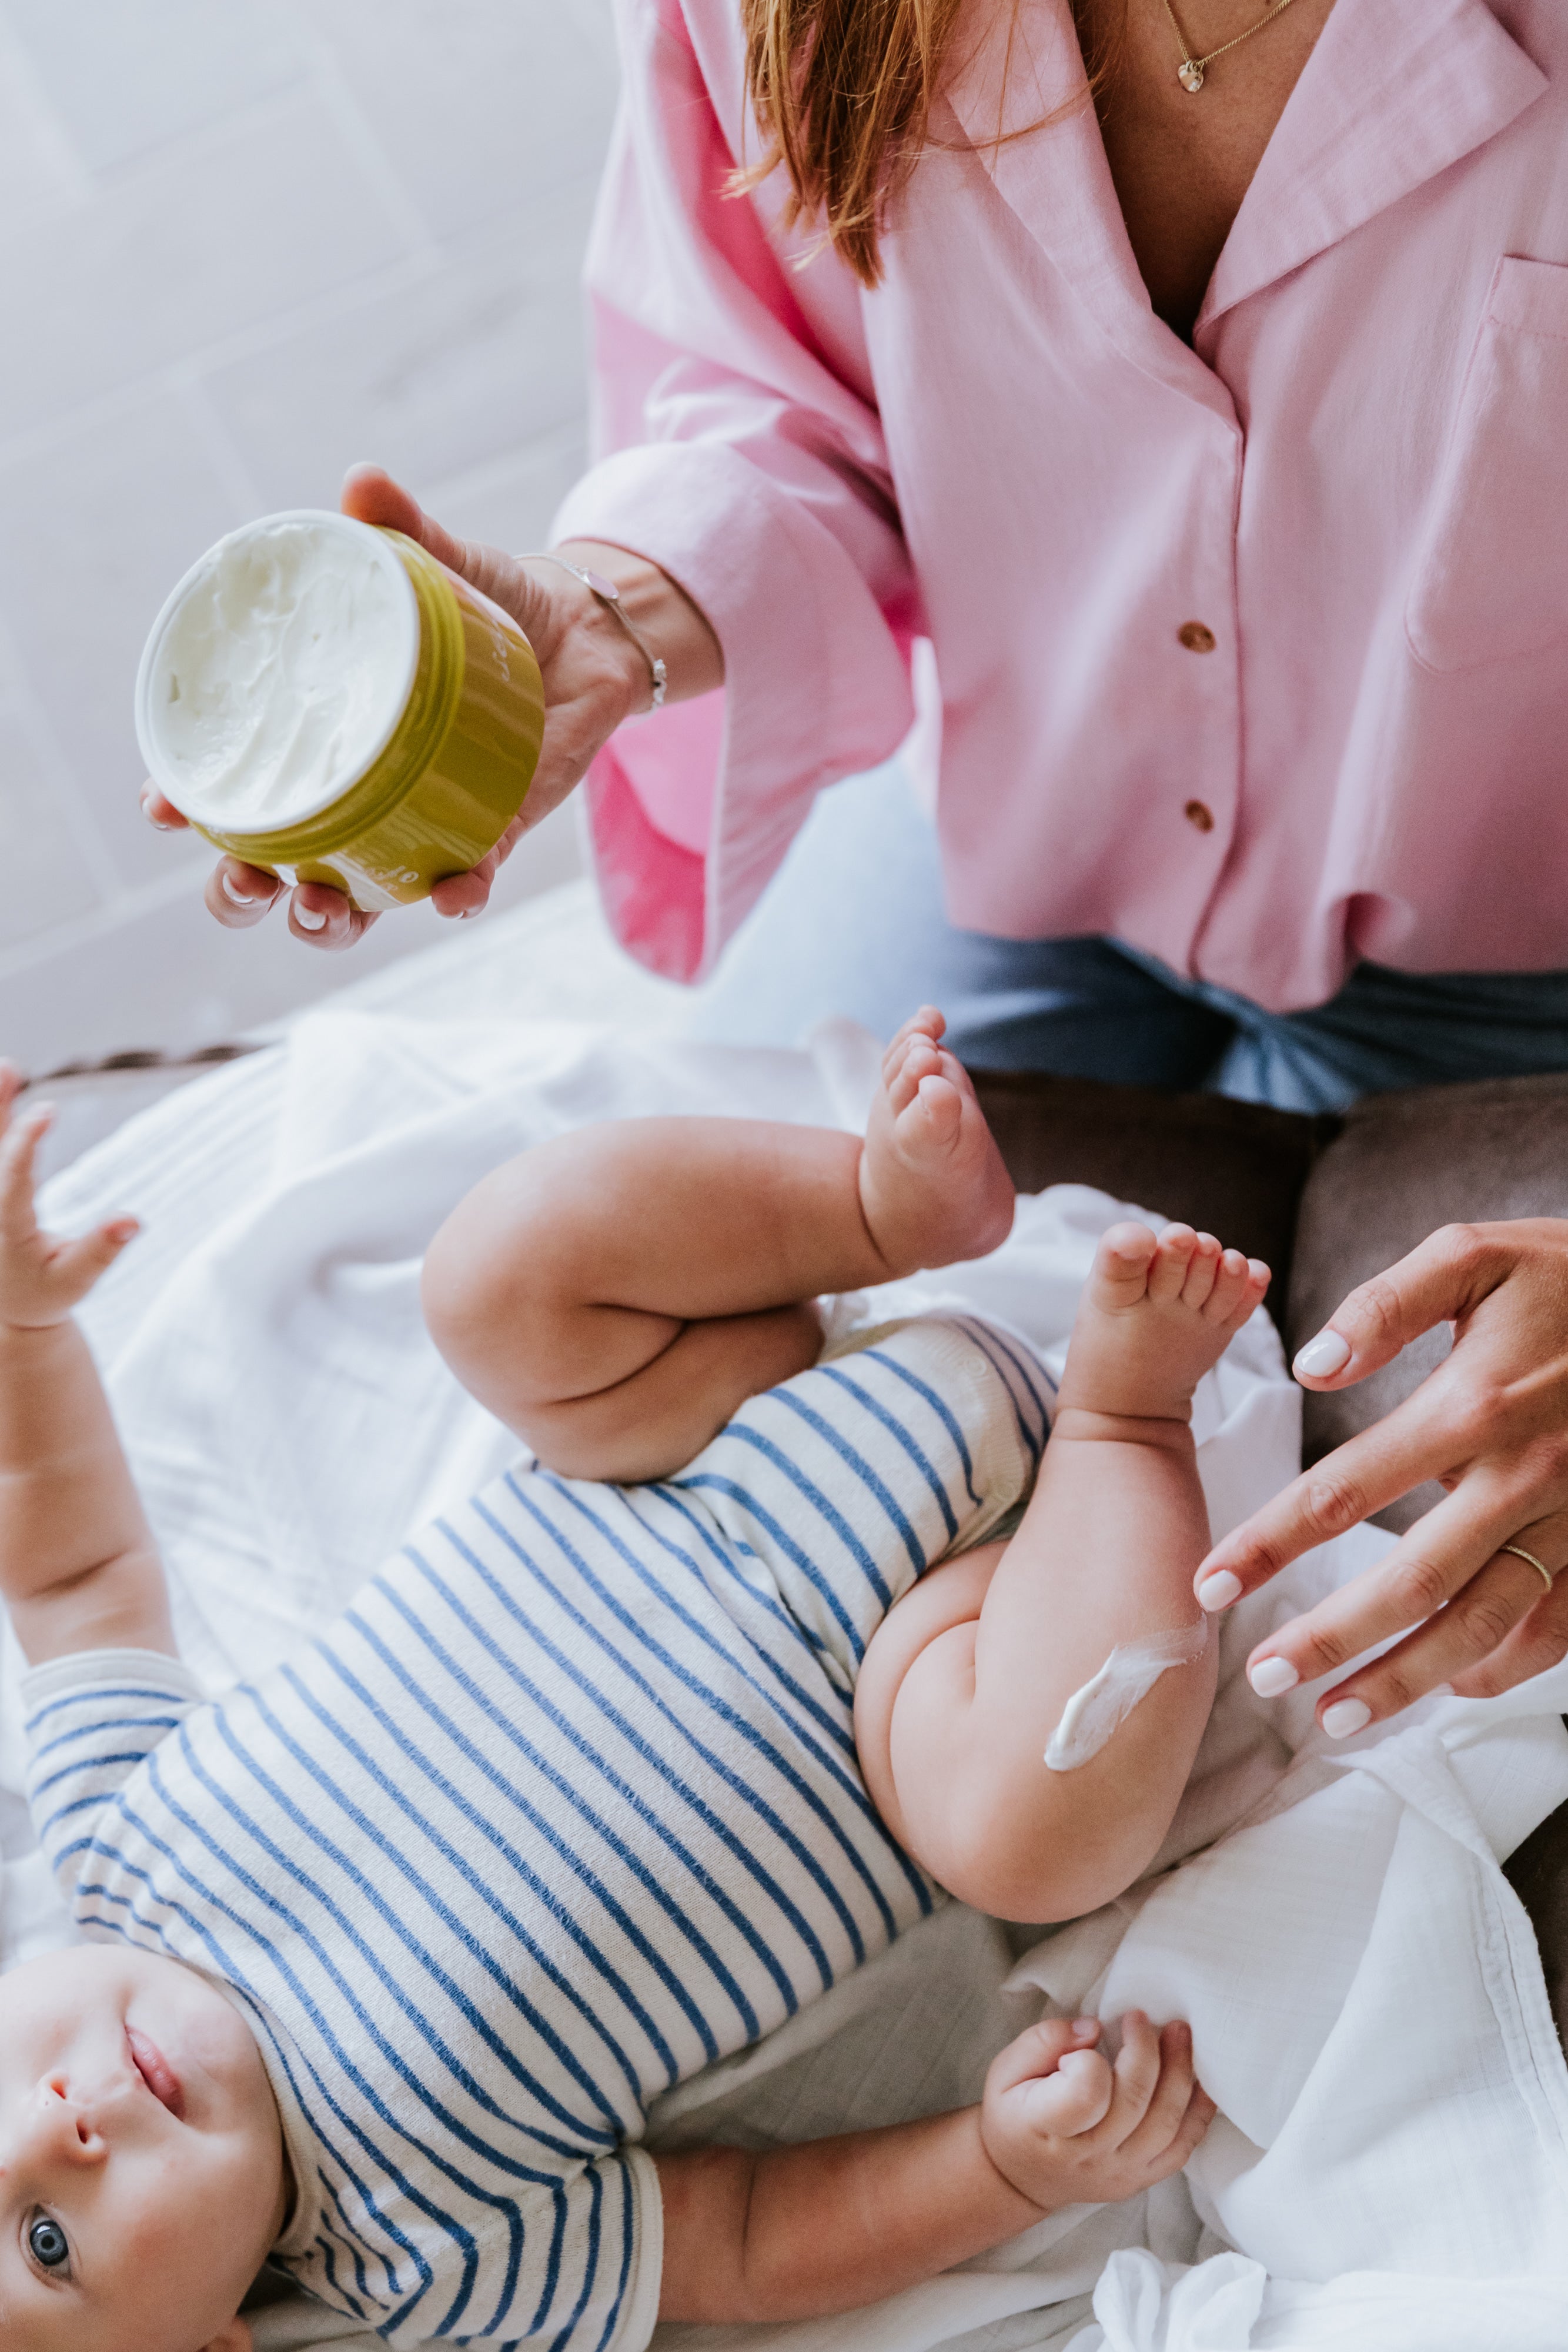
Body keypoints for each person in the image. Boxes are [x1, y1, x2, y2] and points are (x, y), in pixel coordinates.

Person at [141, 2, 1568, 1720]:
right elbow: (785, 383)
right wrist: (616, 619)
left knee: (1447, 1628)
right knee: (710, 1423)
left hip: (1522, 956)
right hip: (1047, 841)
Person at [0, 1011, 1253, 2347]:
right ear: (204, 2346)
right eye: (46, 2238)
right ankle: (1125, 1423)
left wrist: (24, 1328)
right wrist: (1000, 2167)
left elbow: (71, 1570)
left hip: (693, 1433)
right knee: (1034, 1837)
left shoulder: (108, 1840)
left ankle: (875, 1208)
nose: (59, 2123)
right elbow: (744, 2236)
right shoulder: (427, 2262)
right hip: (925, 1674)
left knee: (493, 1276)